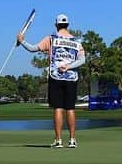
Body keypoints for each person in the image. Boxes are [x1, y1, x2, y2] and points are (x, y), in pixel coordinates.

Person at [18, 13, 87, 149]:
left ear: (56, 25)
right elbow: (82, 60)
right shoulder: (76, 42)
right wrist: (69, 66)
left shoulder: (50, 39)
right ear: (68, 25)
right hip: (72, 78)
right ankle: (72, 140)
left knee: (58, 108)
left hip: (56, 77)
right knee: (70, 108)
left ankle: (58, 140)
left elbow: (33, 49)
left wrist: (22, 41)